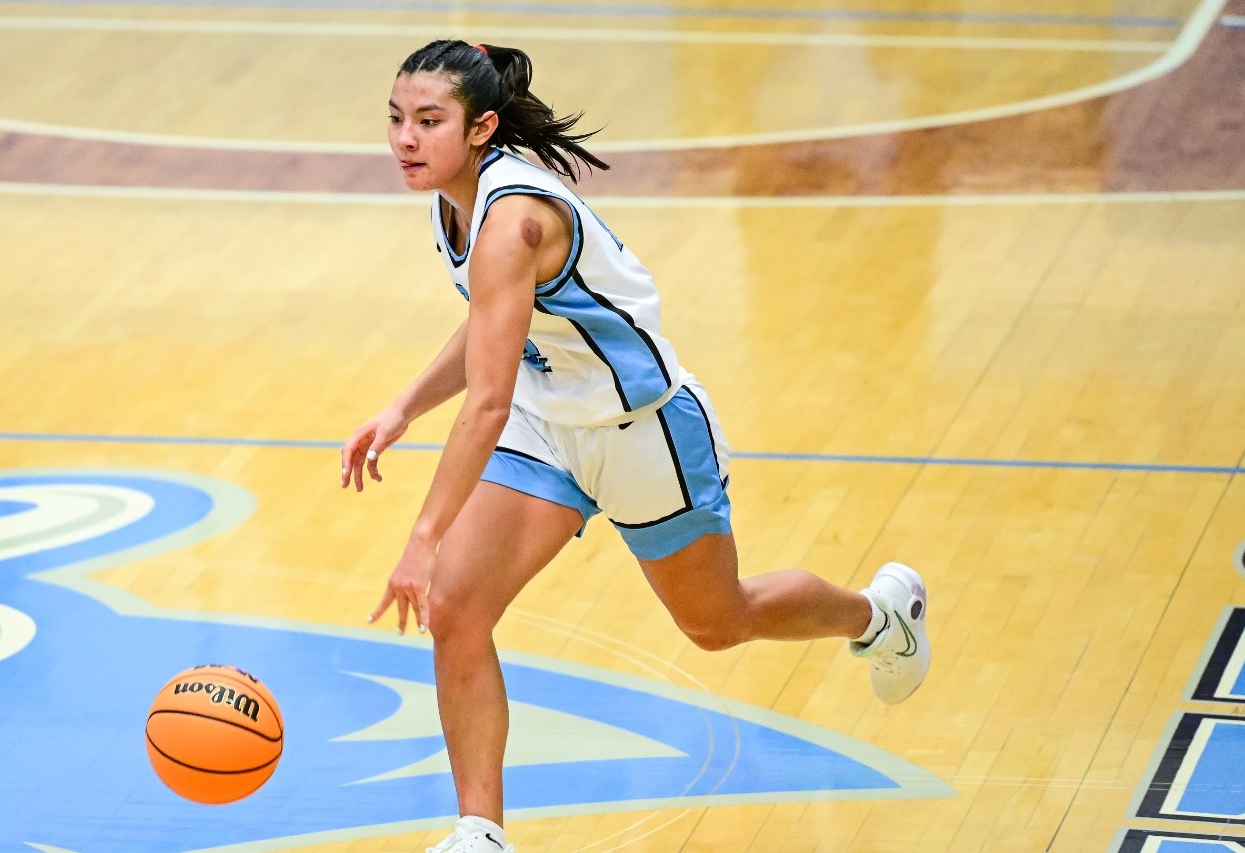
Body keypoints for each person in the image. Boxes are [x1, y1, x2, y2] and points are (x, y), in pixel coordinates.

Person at [340, 40, 930, 853]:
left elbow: (487, 401)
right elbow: (491, 321)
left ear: (481, 129)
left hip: (643, 430)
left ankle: (879, 615)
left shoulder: (512, 218)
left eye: (429, 122)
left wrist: (422, 535)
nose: (406, 139)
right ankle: (481, 831)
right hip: (551, 427)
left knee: (720, 623)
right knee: (455, 608)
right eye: (398, 119)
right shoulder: (454, 200)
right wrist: (403, 406)